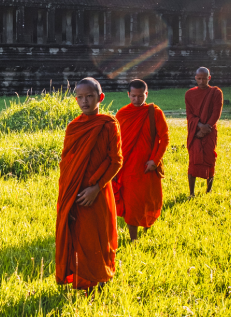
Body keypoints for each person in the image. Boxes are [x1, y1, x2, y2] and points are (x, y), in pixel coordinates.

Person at [55, 77, 123, 292]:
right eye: (80, 98)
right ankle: (83, 283)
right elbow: (67, 162)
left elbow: (117, 161)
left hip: (97, 192)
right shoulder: (73, 127)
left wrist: (97, 187)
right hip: (73, 191)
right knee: (77, 235)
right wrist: (68, 192)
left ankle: (99, 279)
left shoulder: (109, 124)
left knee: (97, 237)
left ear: (100, 97)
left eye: (89, 97)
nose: (84, 102)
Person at [113, 78, 169, 241]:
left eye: (140, 96)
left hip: (148, 165)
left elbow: (164, 138)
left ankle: (146, 231)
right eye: (134, 96)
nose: (137, 100)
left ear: (146, 94)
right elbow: (115, 141)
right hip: (128, 166)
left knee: (148, 200)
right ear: (128, 95)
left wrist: (155, 161)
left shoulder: (154, 112)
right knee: (132, 203)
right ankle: (134, 238)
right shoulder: (122, 114)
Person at [185, 67, 223, 196]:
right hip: (195, 131)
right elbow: (189, 114)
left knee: (209, 158)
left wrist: (207, 127)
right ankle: (191, 193)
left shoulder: (216, 92)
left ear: (209, 78)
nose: (201, 81)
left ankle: (209, 190)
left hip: (210, 130)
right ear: (195, 78)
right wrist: (200, 126)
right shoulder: (189, 94)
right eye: (199, 78)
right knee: (193, 160)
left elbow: (216, 113)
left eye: (204, 78)